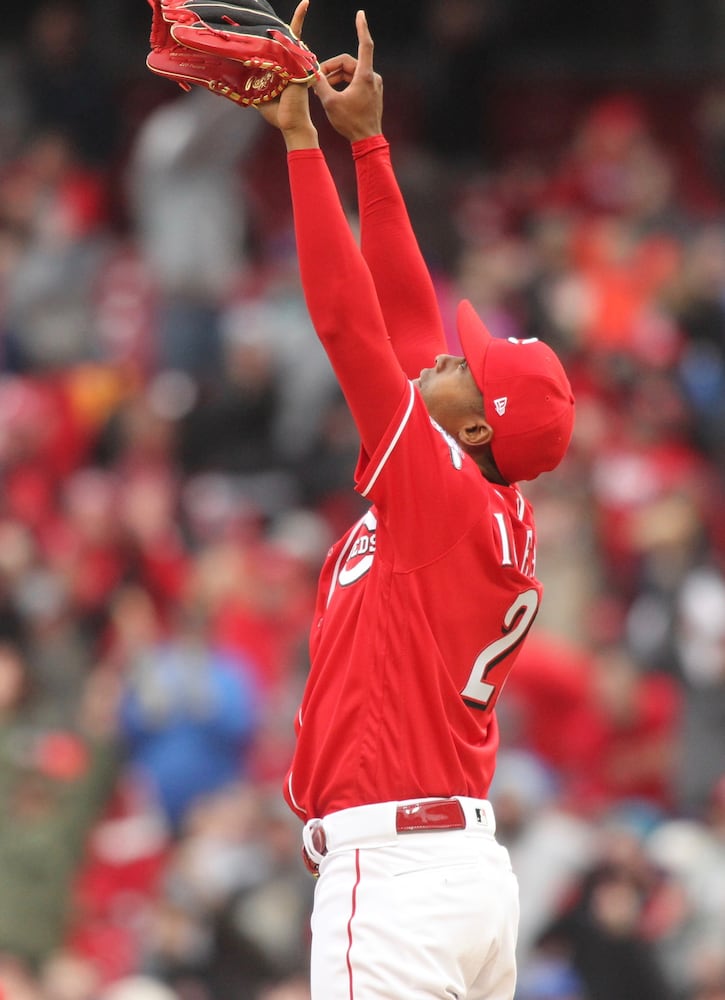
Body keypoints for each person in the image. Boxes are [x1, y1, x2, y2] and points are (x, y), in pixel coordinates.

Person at [257, 5, 575, 998]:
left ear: (476, 430)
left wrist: (300, 141)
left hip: (395, 878)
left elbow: (352, 329)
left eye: (465, 367)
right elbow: (402, 320)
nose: (445, 350)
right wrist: (372, 148)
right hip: (455, 875)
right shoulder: (474, 498)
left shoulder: (437, 495)